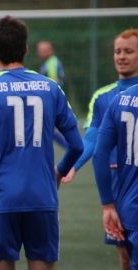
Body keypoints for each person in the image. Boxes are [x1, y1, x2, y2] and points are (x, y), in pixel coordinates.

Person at [0, 16, 83, 270]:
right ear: (26, 50)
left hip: (1, 200)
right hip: (42, 196)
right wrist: (59, 173)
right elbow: (77, 146)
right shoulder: (51, 88)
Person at [62, 29, 138, 270]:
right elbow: (93, 140)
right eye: (118, 51)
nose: (122, 56)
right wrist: (71, 164)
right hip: (118, 186)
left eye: (129, 51)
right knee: (125, 256)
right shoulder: (104, 97)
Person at [37, 40, 67, 149]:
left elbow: (54, 82)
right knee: (47, 131)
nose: (43, 53)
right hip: (53, 100)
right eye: (41, 51)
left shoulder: (52, 62)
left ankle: (73, 149)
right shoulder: (48, 63)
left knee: (47, 130)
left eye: (46, 50)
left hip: (52, 100)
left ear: (51, 50)